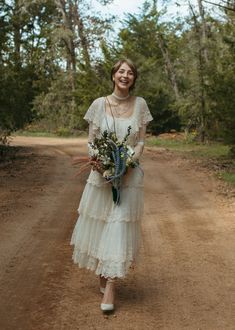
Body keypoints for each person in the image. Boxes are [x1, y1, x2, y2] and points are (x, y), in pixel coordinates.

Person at [70, 59, 153, 312]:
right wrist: (98, 161)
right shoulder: (98, 104)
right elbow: (92, 139)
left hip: (128, 176)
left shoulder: (140, 105)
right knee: (102, 222)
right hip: (101, 174)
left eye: (130, 72)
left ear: (133, 78)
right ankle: (103, 272)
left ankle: (111, 286)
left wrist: (129, 162)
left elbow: (139, 142)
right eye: (121, 71)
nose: (125, 76)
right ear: (113, 75)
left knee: (118, 224)